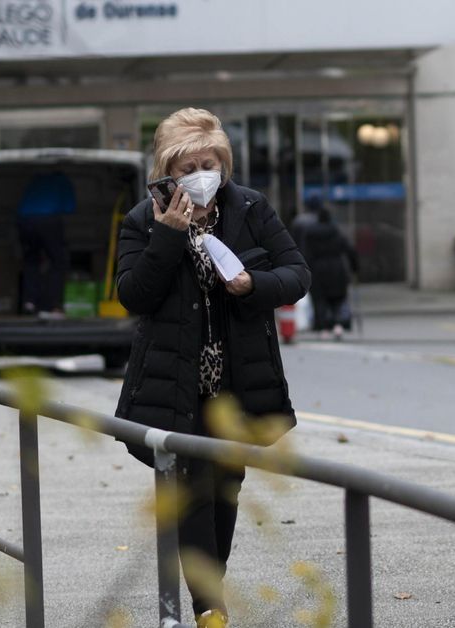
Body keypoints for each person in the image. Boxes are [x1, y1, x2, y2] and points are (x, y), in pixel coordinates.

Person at [113, 108, 310, 627]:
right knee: (191, 490)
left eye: (209, 162)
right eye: (187, 166)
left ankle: (208, 594)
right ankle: (210, 609)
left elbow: (296, 274)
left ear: (223, 163)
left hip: (238, 387)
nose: (201, 174)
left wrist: (253, 286)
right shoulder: (142, 220)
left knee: (225, 491)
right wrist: (168, 237)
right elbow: (133, 295)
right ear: (167, 171)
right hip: (175, 388)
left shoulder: (250, 208)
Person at [17, 170, 75, 317]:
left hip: (24, 220)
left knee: (31, 261)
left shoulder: (36, 178)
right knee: (58, 262)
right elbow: (70, 207)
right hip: (48, 220)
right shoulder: (62, 180)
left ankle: (29, 302)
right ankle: (53, 306)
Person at [303, 208, 358, 340]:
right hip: (336, 270)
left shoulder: (310, 235)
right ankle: (338, 325)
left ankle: (323, 328)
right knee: (337, 300)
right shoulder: (336, 232)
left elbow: (306, 254)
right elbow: (350, 250)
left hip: (318, 270)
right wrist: (355, 267)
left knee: (320, 300)